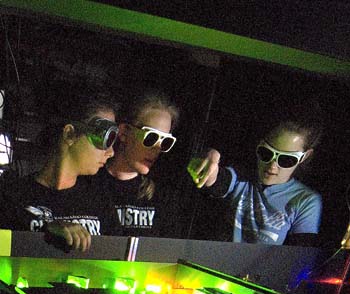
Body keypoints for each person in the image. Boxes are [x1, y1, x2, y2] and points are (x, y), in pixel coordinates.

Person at [0, 89, 119, 251]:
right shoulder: (12, 198)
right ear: (70, 134)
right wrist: (47, 231)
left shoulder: (100, 201)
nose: (111, 152)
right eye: (104, 138)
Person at [188, 106, 324, 247]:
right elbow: (216, 180)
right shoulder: (242, 177)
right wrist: (209, 160)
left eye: (286, 159)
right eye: (266, 153)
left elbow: (298, 255)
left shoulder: (305, 201)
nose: (272, 166)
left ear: (305, 156)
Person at [86, 90, 180, 237]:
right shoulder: (89, 181)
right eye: (151, 137)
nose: (157, 148)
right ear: (124, 132)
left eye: (165, 141)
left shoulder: (161, 196)